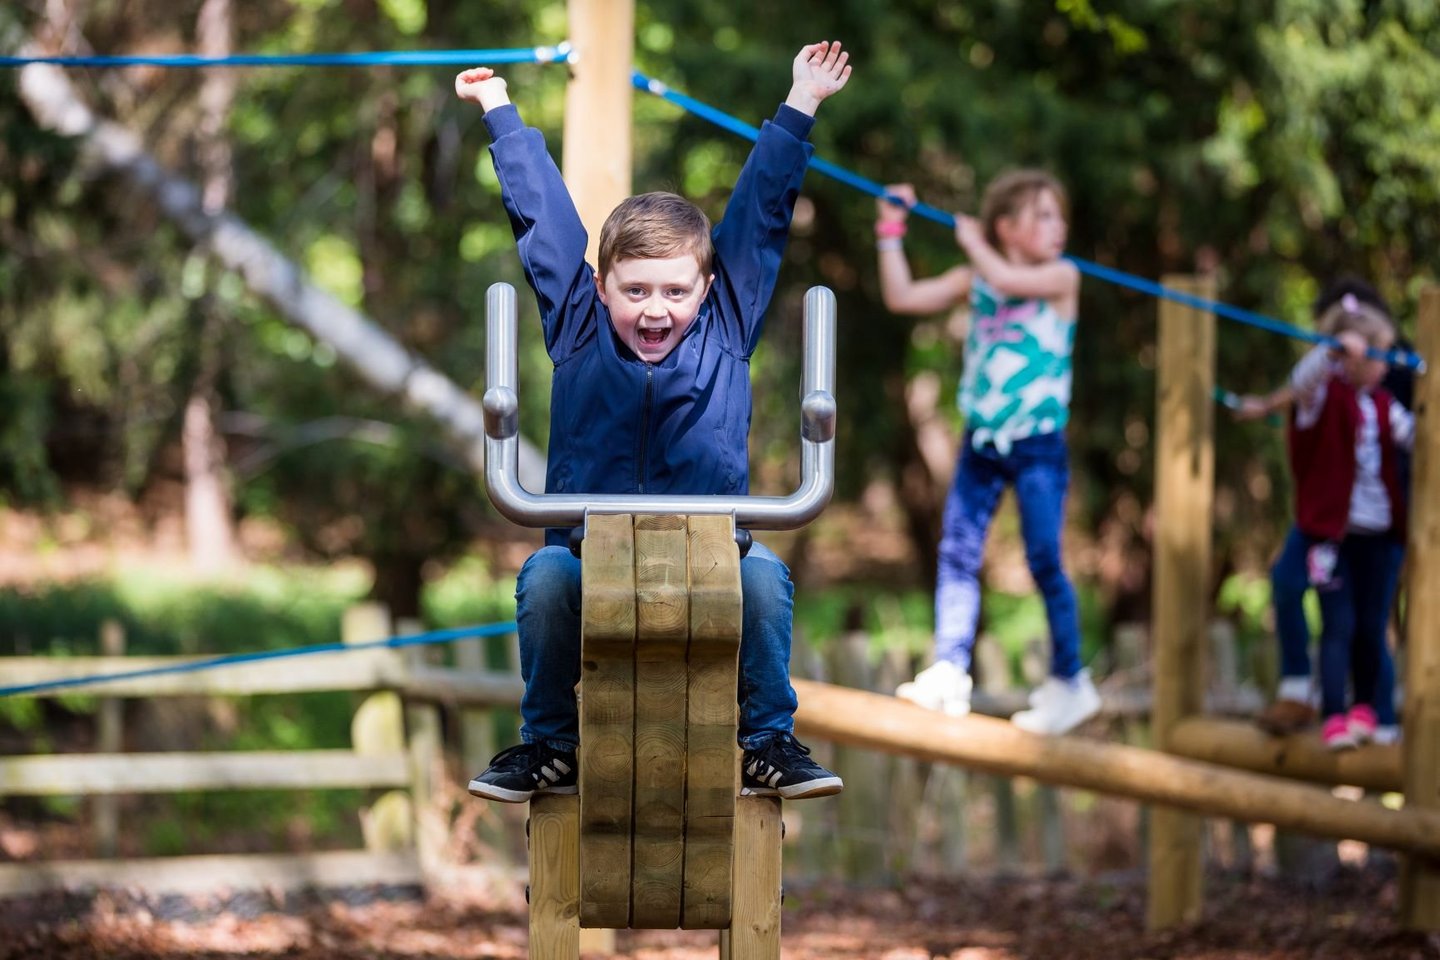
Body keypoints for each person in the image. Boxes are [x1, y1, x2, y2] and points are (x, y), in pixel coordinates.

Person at [455, 42, 851, 802]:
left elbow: (762, 213)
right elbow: (542, 220)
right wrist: (499, 109)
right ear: (602, 287)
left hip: (713, 554)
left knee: (766, 578)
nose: (655, 310)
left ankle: (767, 739)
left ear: (707, 287)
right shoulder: (577, 325)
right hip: (589, 552)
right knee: (544, 579)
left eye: (674, 291)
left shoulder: (728, 324)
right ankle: (549, 743)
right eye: (635, 291)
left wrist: (801, 101)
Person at [877, 172, 1100, 735]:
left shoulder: (1062, 277)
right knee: (957, 553)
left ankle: (1070, 681)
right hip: (981, 443)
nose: (1058, 226)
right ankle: (950, 670)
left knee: (1044, 557)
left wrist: (973, 243)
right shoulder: (976, 278)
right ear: (1007, 226)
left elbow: (1005, 276)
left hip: (1037, 444)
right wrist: (889, 231)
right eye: (1043, 215)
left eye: (1059, 215)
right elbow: (902, 297)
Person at [1237, 278, 1410, 745]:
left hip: (1379, 531)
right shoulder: (1325, 390)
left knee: (1371, 625)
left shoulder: (1387, 391)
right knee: (1332, 617)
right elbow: (1301, 386)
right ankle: (1311, 695)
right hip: (1329, 527)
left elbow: (1416, 433)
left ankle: (1379, 715)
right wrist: (1330, 353)